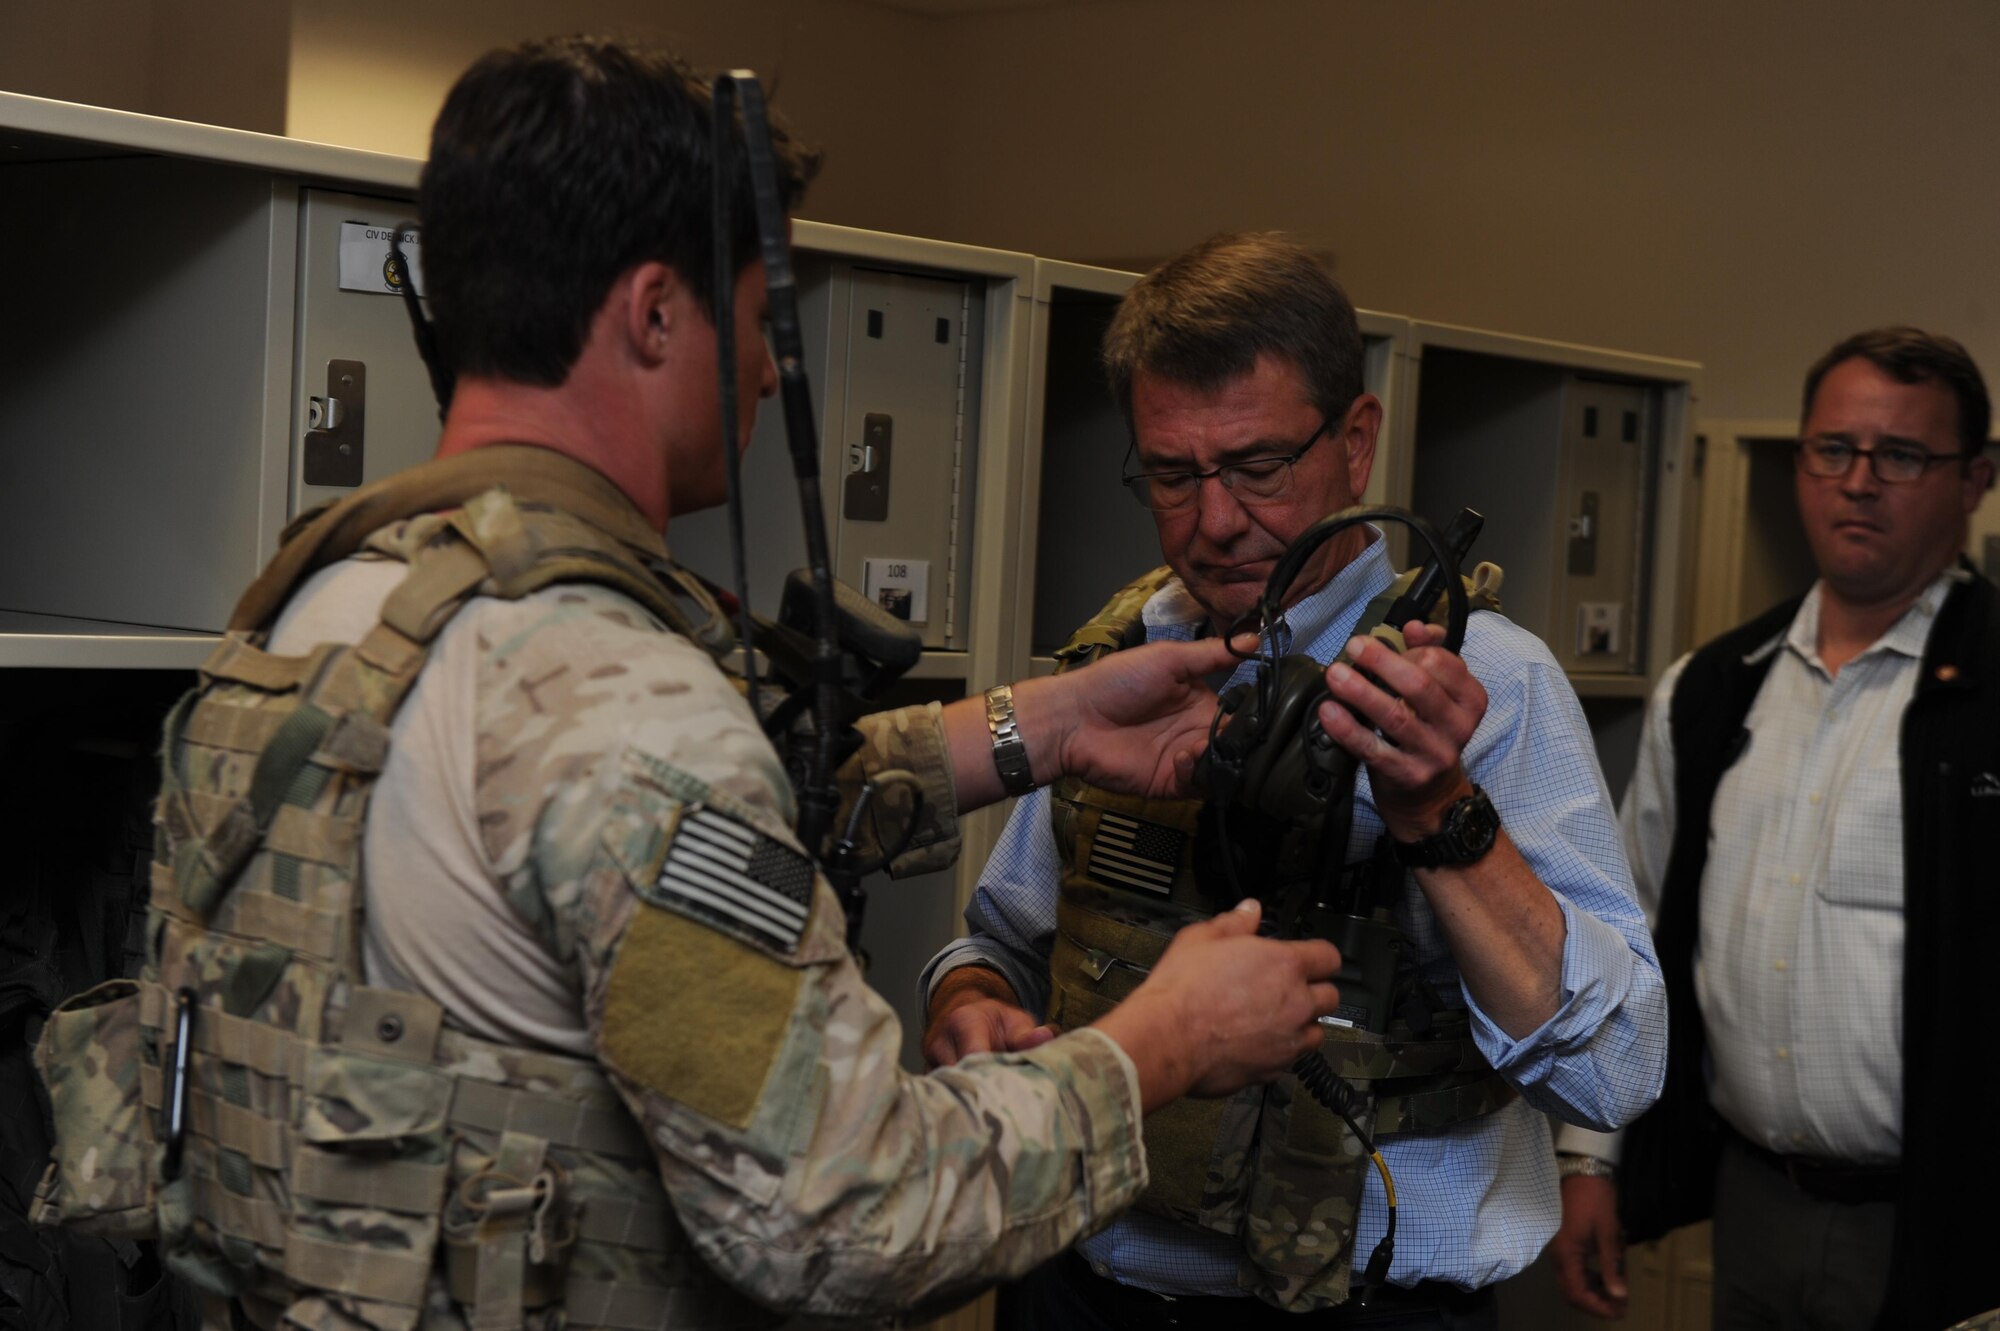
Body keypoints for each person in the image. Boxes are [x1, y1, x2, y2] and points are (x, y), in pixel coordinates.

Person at [32, 39, 1356, 1330]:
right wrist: (1159, 1044)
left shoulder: (331, 603)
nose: (774, 365)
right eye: (751, 315)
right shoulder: (616, 697)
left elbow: (580, 840)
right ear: (657, 313)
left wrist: (1047, 725)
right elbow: (848, 1213)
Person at [919, 232, 1667, 1329]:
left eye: (1259, 466)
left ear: (1353, 441)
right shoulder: (1121, 652)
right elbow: (1003, 937)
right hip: (1077, 1287)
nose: (1214, 521)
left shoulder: (1487, 684)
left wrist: (1436, 812)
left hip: (1360, 1305)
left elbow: (1612, 1070)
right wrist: (967, 999)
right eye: (1170, 474)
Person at [1550, 327, 2000, 1331]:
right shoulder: (1711, 689)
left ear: (1973, 479)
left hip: (1946, 1224)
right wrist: (1588, 1157)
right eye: (1831, 448)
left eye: (1900, 455)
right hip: (1753, 1204)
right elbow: (1631, 932)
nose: (1858, 482)